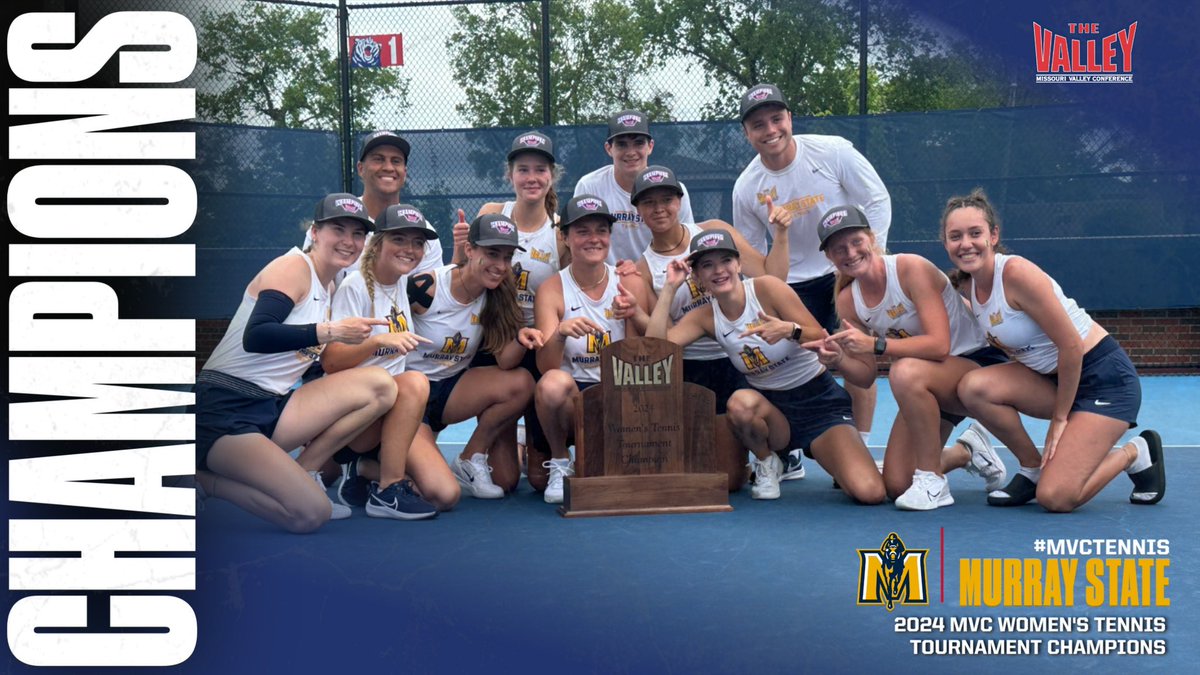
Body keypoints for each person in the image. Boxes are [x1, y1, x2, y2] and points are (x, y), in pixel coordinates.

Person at [942, 188, 1165, 511]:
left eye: (975, 233)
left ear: (993, 235)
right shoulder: (967, 286)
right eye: (955, 236)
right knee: (973, 387)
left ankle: (1135, 452)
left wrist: (1060, 419)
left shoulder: (1016, 274)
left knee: (1056, 498)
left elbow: (1072, 345)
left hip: (1104, 379)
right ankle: (1032, 468)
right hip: (1053, 379)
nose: (966, 243)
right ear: (946, 243)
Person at [195, 193, 398, 532]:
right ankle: (203, 480)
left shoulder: (330, 283)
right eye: (338, 229)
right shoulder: (293, 268)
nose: (349, 241)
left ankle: (305, 470)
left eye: (358, 234)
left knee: (380, 386)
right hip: (225, 409)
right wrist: (330, 331)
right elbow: (256, 336)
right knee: (309, 514)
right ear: (315, 232)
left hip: (273, 406)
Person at [647, 229, 886, 504]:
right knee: (739, 403)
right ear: (697, 277)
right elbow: (656, 351)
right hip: (773, 414)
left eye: (725, 261)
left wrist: (790, 330)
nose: (719, 270)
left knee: (870, 493)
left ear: (738, 264)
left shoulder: (768, 288)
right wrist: (668, 288)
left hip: (818, 403)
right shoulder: (704, 317)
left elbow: (819, 337)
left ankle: (826, 452)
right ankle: (768, 460)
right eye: (707, 265)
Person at [731, 83, 892, 478]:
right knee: (772, 361)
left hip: (842, 273)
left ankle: (861, 442)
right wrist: (778, 250)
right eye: (758, 124)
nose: (770, 130)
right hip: (790, 286)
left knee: (856, 356)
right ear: (746, 133)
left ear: (789, 118)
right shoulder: (746, 187)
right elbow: (752, 259)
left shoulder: (832, 151)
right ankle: (785, 452)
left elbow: (876, 200)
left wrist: (868, 262)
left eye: (776, 118)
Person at [806, 205, 1008, 511]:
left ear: (871, 239)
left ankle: (934, 482)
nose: (850, 252)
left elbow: (939, 346)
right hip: (928, 380)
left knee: (905, 370)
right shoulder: (849, 301)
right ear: (829, 258)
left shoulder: (909, 269)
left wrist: (874, 344)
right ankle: (967, 451)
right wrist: (838, 360)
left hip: (977, 363)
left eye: (856, 241)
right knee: (897, 484)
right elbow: (864, 377)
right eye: (839, 249)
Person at [322, 204, 454, 520]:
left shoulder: (400, 285)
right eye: (399, 239)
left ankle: (367, 468)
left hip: (393, 410)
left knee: (444, 495)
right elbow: (331, 361)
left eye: (418, 243)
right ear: (377, 243)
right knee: (415, 382)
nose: (410, 250)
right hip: (359, 411)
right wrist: (378, 341)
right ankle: (387, 489)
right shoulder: (355, 285)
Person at [629, 164, 789, 415]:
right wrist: (661, 294)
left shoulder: (715, 232)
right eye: (648, 202)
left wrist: (780, 234)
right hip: (692, 365)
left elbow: (774, 277)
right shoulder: (645, 269)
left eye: (667, 200)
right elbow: (664, 339)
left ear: (680, 201)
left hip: (744, 352)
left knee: (758, 429)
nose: (659, 209)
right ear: (638, 210)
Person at [405, 213, 543, 500]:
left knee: (521, 382)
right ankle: (371, 462)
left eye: (506, 257)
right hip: (407, 396)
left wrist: (521, 338)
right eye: (492, 254)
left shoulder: (498, 294)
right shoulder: (424, 288)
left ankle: (469, 459)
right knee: (441, 494)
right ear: (469, 250)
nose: (500, 266)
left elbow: (505, 362)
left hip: (449, 392)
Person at [464, 131, 567, 486]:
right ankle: (504, 444)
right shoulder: (491, 213)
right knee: (506, 480)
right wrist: (456, 245)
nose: (532, 177)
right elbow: (466, 270)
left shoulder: (558, 232)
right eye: (523, 169)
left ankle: (532, 445)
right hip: (496, 340)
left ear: (552, 175)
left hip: (538, 343)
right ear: (510, 175)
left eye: (540, 169)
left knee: (539, 481)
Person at [533, 194, 649, 504]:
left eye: (601, 230)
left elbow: (643, 358)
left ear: (610, 236)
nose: (593, 239)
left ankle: (604, 448)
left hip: (616, 390)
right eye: (583, 231)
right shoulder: (551, 289)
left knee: (612, 480)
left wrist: (632, 318)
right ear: (566, 238)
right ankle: (559, 460)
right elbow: (546, 368)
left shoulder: (628, 282)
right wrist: (559, 334)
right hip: (573, 396)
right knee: (551, 385)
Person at [303, 130, 444, 281]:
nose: (389, 167)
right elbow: (309, 285)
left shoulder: (424, 232)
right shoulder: (329, 219)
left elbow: (428, 299)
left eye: (396, 161)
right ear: (360, 168)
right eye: (378, 159)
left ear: (404, 172)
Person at [573, 110, 695, 266]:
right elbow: (579, 243)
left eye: (638, 143)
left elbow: (686, 245)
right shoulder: (589, 186)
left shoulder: (675, 190)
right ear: (609, 148)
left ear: (650, 146)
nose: (631, 152)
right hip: (607, 282)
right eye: (622, 144)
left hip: (661, 277)